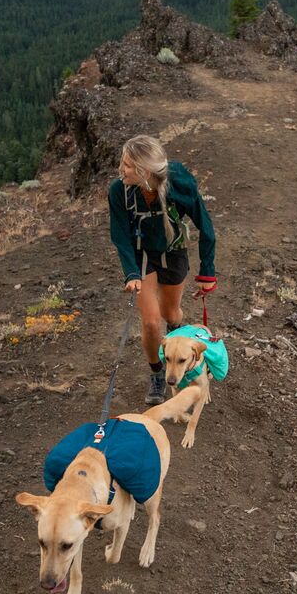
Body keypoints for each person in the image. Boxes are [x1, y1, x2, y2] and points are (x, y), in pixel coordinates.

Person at [109, 135, 217, 402]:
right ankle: (157, 374)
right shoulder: (118, 191)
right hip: (142, 253)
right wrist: (132, 273)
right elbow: (120, 234)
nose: (121, 170)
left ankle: (177, 353)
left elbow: (207, 228)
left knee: (171, 313)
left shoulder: (181, 183)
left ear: (145, 171)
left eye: (127, 166)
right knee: (150, 320)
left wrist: (207, 273)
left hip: (173, 251)